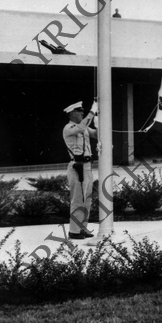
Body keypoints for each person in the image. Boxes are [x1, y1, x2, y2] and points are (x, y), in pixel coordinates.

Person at [62, 101, 98, 240]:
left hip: (87, 166)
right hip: (77, 166)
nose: (82, 113)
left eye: (83, 112)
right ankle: (74, 231)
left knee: (87, 199)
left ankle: (82, 228)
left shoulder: (83, 127)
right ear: (72, 114)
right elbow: (82, 126)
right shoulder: (69, 128)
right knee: (77, 199)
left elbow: (95, 134)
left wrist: (98, 123)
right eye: (80, 112)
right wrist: (92, 112)